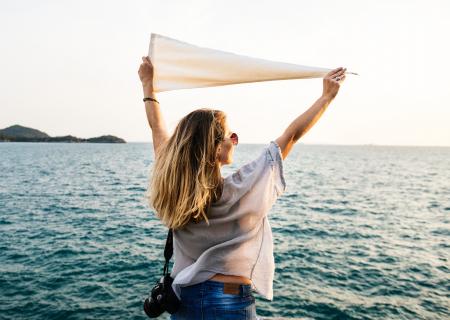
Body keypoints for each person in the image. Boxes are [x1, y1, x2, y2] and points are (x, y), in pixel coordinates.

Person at [138, 56, 345, 320]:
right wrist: (327, 97)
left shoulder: (174, 188)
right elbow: (292, 135)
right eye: (230, 136)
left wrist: (147, 85)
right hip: (230, 299)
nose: (235, 141)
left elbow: (157, 128)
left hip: (185, 302)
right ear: (215, 148)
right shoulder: (242, 188)